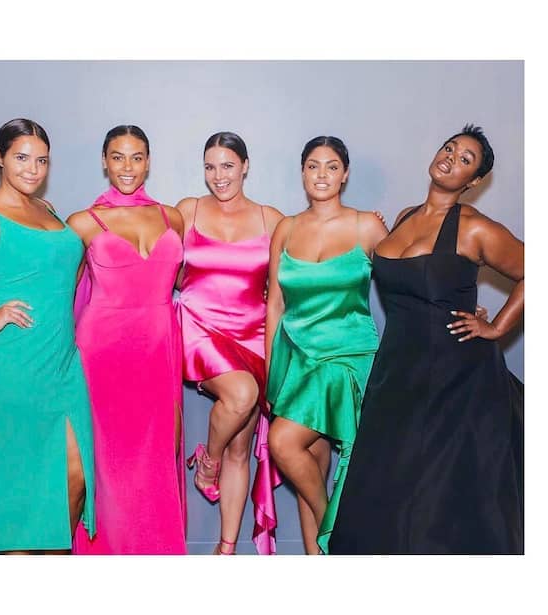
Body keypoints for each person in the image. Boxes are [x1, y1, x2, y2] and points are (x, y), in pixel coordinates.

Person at [328, 124, 524, 555]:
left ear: (474, 181)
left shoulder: (475, 228)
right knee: (387, 491)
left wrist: (496, 327)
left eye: (465, 159)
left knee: (437, 502)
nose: (451, 158)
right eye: (449, 148)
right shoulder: (404, 217)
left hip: (456, 381)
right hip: (397, 374)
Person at [0, 118, 95, 553]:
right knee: (17, 494)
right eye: (21, 158)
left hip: (60, 362)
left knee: (75, 475)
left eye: (41, 160)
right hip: (7, 365)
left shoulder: (47, 209)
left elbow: (49, 272)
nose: (33, 169)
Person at [265, 136, 388, 554]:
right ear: (302, 172)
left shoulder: (367, 226)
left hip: (347, 360)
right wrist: (271, 374)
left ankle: (335, 532)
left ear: (345, 174)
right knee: (311, 466)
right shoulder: (286, 228)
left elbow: (408, 280)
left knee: (283, 442)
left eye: (332, 166)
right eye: (313, 166)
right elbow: (275, 305)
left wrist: (460, 304)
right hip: (297, 363)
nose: (322, 175)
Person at [68, 125, 187, 554]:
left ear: (148, 162)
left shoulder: (172, 217)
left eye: (137, 157)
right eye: (118, 157)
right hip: (102, 353)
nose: (127, 167)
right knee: (107, 465)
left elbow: (189, 282)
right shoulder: (82, 222)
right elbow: (59, 290)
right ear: (104, 161)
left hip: (158, 351)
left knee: (156, 460)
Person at [176, 132, 284, 554]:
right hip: (199, 327)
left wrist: (375, 227)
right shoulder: (188, 210)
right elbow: (151, 253)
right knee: (241, 394)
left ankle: (226, 549)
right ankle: (208, 462)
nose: (218, 176)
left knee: (242, 450)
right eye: (210, 167)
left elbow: (313, 255)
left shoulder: (271, 219)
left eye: (227, 166)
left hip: (253, 336)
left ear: (245, 166)